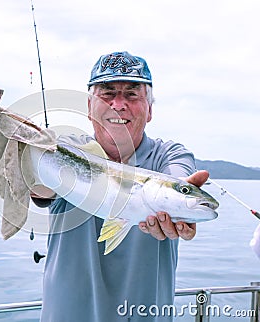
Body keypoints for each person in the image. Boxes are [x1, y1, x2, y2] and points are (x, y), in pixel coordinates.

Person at [32, 51, 209, 322]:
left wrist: (182, 200)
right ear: (89, 108)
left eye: (131, 94)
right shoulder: (64, 149)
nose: (118, 104)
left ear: (150, 110)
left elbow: (178, 179)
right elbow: (41, 189)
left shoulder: (169, 155)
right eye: (107, 93)